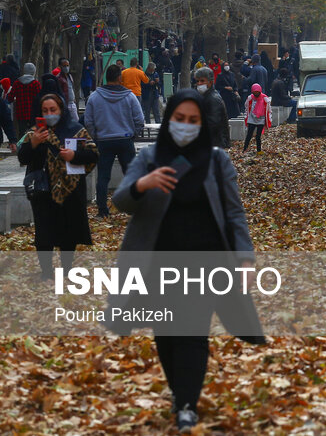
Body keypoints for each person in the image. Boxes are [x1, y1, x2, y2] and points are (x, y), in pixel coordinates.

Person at [111, 90, 264, 432]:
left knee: (193, 331)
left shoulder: (216, 160)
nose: (185, 126)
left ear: (202, 124)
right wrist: (143, 184)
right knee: (166, 333)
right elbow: (121, 200)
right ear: (169, 120)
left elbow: (234, 212)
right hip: (157, 265)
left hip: (206, 263)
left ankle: (186, 406)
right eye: (180, 119)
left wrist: (245, 259)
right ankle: (179, 395)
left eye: (193, 120)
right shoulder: (151, 157)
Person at [18, 93, 97, 279]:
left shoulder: (76, 130)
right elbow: (23, 158)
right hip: (43, 192)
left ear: (61, 110)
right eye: (45, 110)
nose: (49, 114)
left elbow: (93, 155)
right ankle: (46, 272)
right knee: (44, 235)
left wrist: (74, 156)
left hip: (70, 191)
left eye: (53, 110)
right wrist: (34, 143)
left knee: (67, 234)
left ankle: (67, 270)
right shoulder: (33, 133)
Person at [84, 64, 145, 219]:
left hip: (104, 141)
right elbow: (140, 119)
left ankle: (103, 210)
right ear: (120, 78)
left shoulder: (94, 97)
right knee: (131, 175)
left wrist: (96, 136)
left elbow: (88, 121)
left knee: (103, 177)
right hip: (125, 140)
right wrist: (134, 134)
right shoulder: (130, 96)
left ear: (106, 78)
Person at [194, 67, 230, 148]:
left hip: (215, 143)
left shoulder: (213, 99)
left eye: (202, 81)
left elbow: (213, 123)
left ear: (210, 82)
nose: (199, 83)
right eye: (197, 81)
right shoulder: (205, 96)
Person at [10, 62, 41, 139]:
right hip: (33, 113)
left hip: (20, 112)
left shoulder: (17, 83)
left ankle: (21, 148)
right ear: (34, 71)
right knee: (33, 132)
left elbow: (10, 97)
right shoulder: (35, 84)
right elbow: (39, 98)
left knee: (22, 132)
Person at [243, 83, 272, 153]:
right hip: (252, 118)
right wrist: (246, 116)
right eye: (254, 92)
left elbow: (269, 110)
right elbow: (246, 107)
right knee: (249, 135)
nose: (256, 93)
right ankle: (245, 148)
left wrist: (269, 119)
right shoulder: (250, 98)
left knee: (258, 136)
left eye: (257, 92)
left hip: (261, 119)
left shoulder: (265, 99)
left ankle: (259, 150)